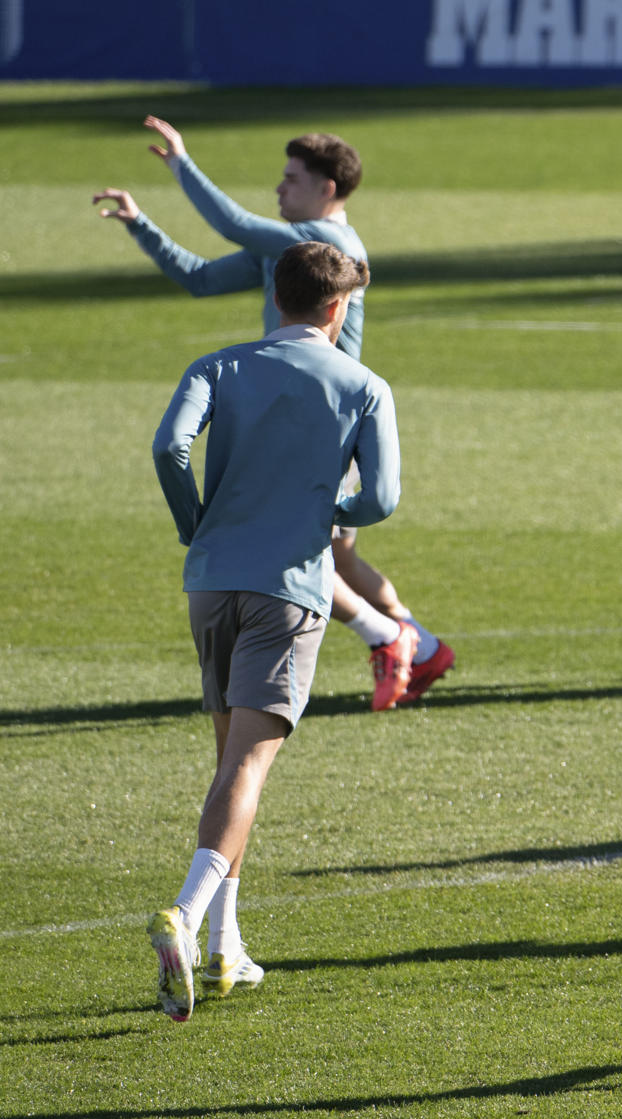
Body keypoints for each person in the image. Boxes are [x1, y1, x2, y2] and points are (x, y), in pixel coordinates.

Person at [95, 116, 452, 710]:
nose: (278, 190)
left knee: (296, 548)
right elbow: (203, 279)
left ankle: (391, 637)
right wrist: (142, 226)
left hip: (326, 425)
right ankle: (423, 646)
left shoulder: (330, 251)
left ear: (327, 188)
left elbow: (231, 223)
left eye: (290, 179)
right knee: (338, 554)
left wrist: (181, 163)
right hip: (293, 417)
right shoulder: (286, 254)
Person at [147, 242, 401, 1020]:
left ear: (279, 295)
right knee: (248, 769)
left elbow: (168, 447)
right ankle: (185, 918)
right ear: (336, 308)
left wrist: (198, 523)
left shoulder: (218, 366)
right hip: (288, 590)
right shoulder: (363, 384)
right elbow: (382, 499)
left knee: (230, 764)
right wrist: (326, 508)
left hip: (210, 580)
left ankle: (226, 949)